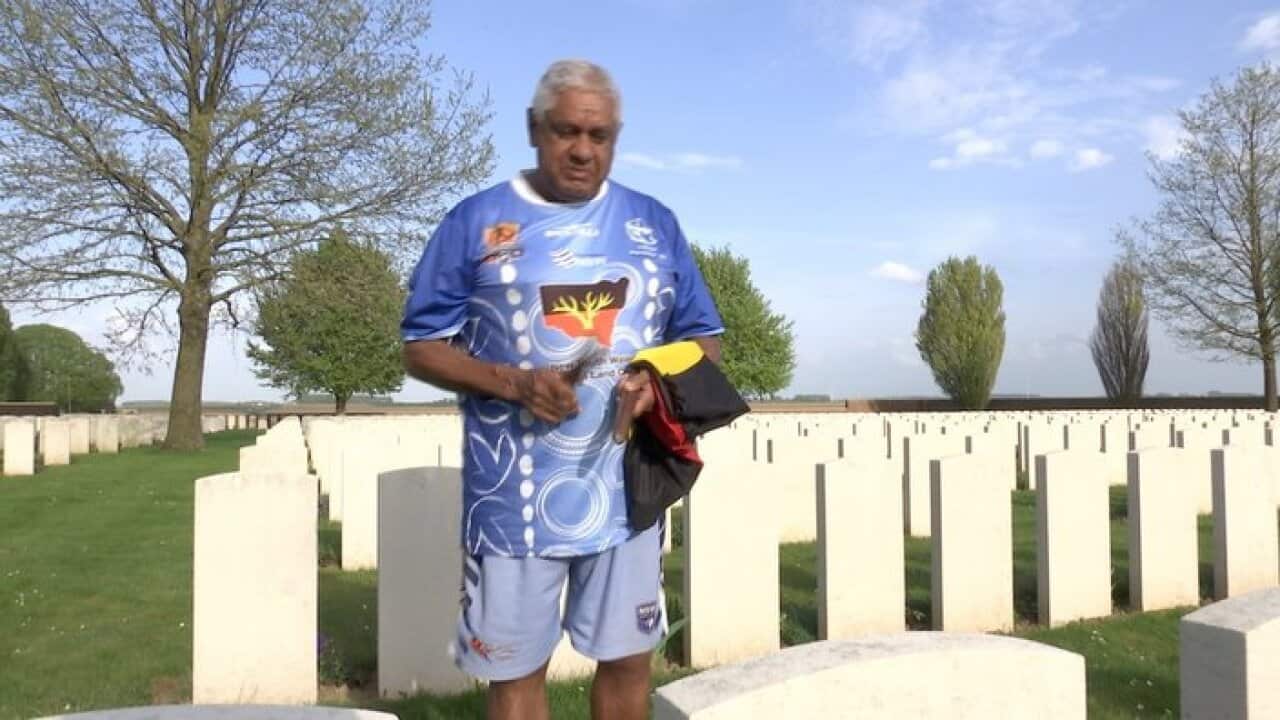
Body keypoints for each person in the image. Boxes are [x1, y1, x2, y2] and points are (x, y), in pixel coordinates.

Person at [401, 59, 724, 720]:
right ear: (533, 128)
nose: (582, 149)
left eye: (599, 135)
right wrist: (511, 382)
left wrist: (654, 382)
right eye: (566, 131)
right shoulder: (474, 221)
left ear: (616, 137)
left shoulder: (654, 223)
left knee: (630, 663)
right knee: (516, 673)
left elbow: (703, 336)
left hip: (626, 493)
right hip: (510, 497)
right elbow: (420, 345)